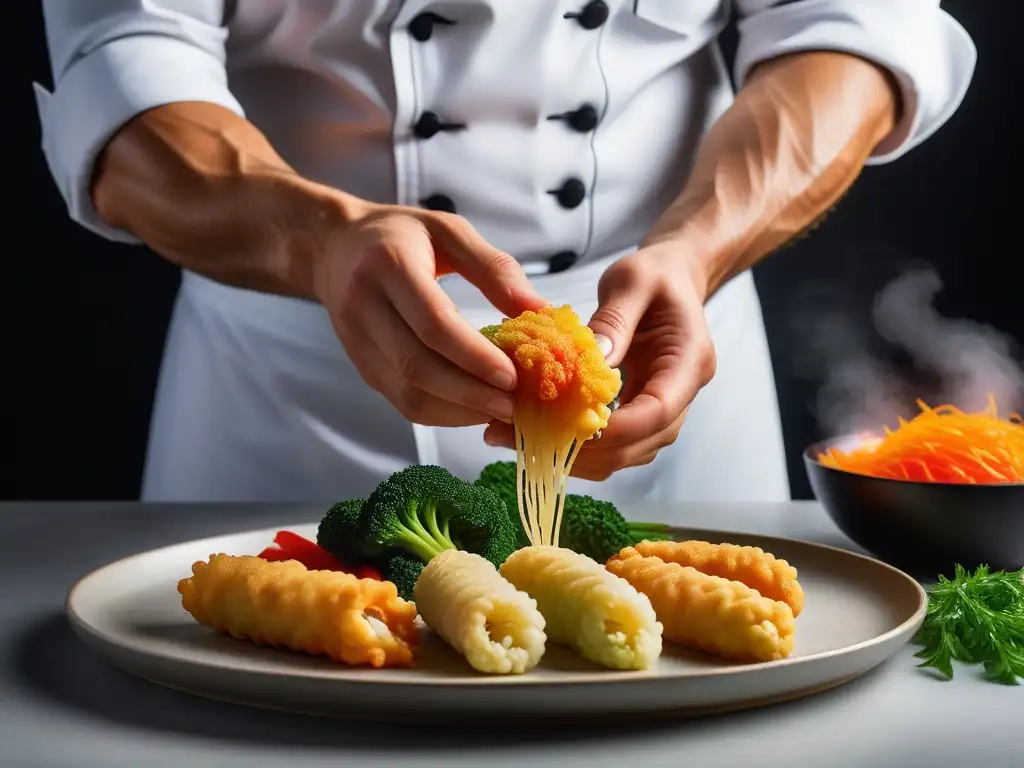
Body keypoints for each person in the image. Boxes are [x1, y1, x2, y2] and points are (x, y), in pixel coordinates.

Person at [35, 1, 975, 508]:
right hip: (290, 398)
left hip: (668, 366)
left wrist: (696, 251)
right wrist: (319, 240)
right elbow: (123, 70)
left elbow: (851, 30)